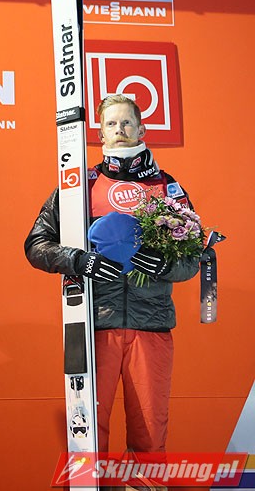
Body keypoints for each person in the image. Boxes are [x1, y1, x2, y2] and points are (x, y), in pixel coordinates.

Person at [24, 94, 200, 458]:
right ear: (100, 134)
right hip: (93, 326)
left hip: (150, 326)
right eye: (111, 124)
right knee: (88, 436)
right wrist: (78, 260)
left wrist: (164, 265)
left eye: (126, 123)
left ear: (141, 129)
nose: (119, 130)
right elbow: (36, 245)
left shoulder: (167, 188)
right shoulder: (78, 186)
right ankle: (95, 482)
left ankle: (144, 483)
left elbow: (192, 259)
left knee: (150, 434)